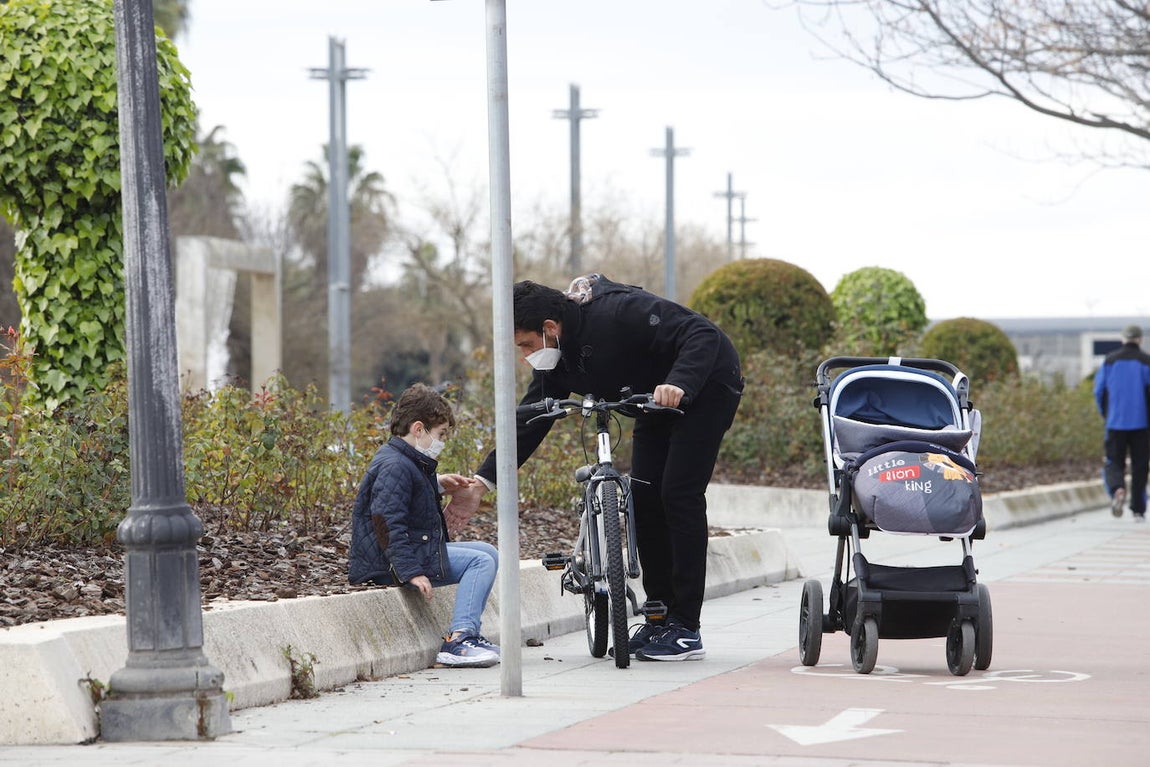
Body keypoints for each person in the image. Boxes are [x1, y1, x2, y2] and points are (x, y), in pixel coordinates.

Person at [474, 275, 743, 661]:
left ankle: (686, 628)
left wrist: (680, 382)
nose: (525, 355)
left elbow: (702, 334)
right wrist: (484, 480)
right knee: (646, 498)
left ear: (549, 328)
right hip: (651, 401)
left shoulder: (619, 311)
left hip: (706, 385)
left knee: (678, 495)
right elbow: (529, 419)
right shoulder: (556, 359)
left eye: (527, 345)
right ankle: (659, 617)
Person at [347, 383, 499, 667]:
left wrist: (439, 484)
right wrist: (411, 572)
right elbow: (385, 522)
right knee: (480, 562)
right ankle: (459, 639)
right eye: (441, 434)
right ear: (419, 429)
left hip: (407, 553)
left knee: (488, 552)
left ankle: (469, 635)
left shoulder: (405, 460)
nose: (443, 441)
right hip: (391, 563)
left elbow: (408, 496)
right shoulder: (395, 466)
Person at [1093, 324, 1150, 522]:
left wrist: (1106, 414)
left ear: (1123, 339)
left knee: (1113, 462)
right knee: (1140, 465)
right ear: (1140, 339)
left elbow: (1098, 391)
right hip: (1142, 423)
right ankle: (1138, 510)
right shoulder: (1146, 361)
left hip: (1115, 422)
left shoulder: (1109, 361)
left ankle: (1117, 489)